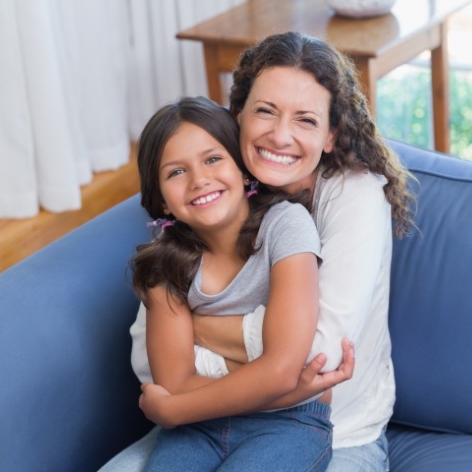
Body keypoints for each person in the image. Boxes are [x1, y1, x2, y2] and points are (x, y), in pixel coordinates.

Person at [100, 31, 414, 472]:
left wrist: (190, 324)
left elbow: (315, 354)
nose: (280, 135)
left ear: (330, 134)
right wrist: (271, 349)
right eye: (265, 111)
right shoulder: (214, 184)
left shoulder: (351, 197)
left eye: (305, 119)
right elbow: (147, 358)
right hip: (204, 420)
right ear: (238, 115)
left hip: (334, 432)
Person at [131, 95, 334, 471]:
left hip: (286, 426)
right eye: (176, 172)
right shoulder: (164, 261)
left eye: (212, 159)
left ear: (243, 170)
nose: (199, 180)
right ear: (161, 201)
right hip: (197, 427)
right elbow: (174, 381)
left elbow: (283, 368)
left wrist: (173, 409)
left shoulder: (285, 226)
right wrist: (282, 388)